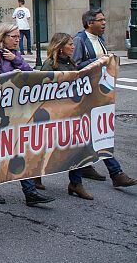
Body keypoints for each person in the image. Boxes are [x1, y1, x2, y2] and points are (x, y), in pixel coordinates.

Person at [0, 23, 54, 206]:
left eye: (18, 36)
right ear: (2, 36)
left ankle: (30, 192)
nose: (17, 39)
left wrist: (16, 60)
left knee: (19, 150)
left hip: (16, 111)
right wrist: (11, 77)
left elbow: (29, 74)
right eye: (13, 36)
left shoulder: (14, 55)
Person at [71, 10, 137, 187]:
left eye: (105, 20)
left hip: (99, 93)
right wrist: (99, 60)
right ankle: (116, 173)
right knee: (99, 133)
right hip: (85, 95)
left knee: (90, 134)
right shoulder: (80, 40)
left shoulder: (99, 40)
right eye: (100, 20)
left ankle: (83, 169)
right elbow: (75, 66)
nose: (104, 23)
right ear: (89, 23)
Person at [41, 33, 94, 200]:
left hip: (71, 114)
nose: (73, 47)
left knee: (76, 148)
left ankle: (75, 182)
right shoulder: (50, 65)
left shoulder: (71, 63)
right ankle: (34, 176)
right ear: (60, 46)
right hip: (55, 115)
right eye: (70, 44)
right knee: (45, 148)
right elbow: (43, 90)